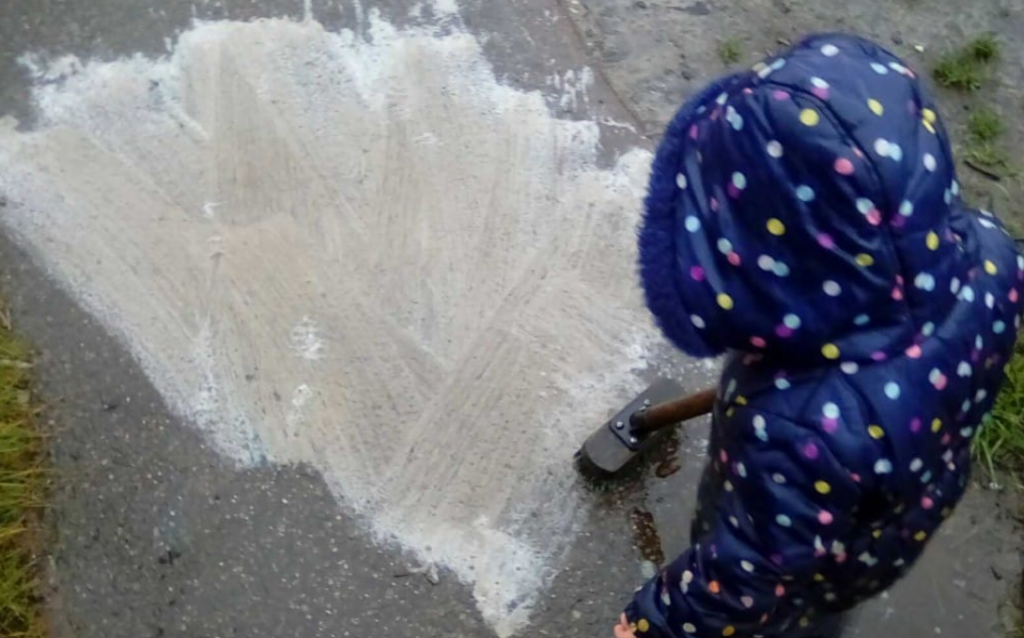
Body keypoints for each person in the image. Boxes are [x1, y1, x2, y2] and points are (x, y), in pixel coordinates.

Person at [616, 33, 1023, 638]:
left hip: (798, 567)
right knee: (828, 572)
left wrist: (656, 619)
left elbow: (743, 578)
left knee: (788, 607)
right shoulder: (991, 254)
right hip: (897, 509)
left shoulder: (793, 426)